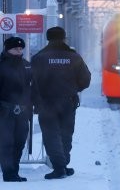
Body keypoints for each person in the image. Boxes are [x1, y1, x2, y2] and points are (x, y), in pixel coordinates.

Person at [31, 26, 91, 180]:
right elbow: (86, 80)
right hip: (68, 102)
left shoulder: (39, 57)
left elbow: (33, 82)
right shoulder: (74, 57)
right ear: (64, 38)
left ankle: (59, 167)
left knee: (51, 135)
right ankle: (63, 165)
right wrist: (72, 89)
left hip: (46, 103)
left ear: (48, 38)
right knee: (66, 134)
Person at [0, 37, 32, 182]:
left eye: (20, 49)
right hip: (4, 111)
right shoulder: (1, 65)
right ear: (7, 49)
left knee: (19, 141)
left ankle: (14, 170)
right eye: (15, 49)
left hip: (23, 111)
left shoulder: (26, 65)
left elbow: (32, 86)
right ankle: (8, 173)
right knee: (6, 142)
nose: (19, 51)